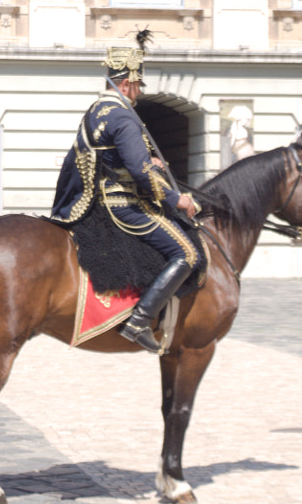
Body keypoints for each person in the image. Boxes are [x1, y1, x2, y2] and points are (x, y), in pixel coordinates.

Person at [50, 30, 201, 356]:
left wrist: (149, 160)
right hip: (124, 205)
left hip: (99, 200)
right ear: (129, 82)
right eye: (137, 86)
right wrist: (177, 199)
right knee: (187, 254)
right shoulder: (123, 117)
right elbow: (139, 172)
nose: (138, 93)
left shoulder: (97, 111)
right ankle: (141, 320)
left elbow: (117, 157)